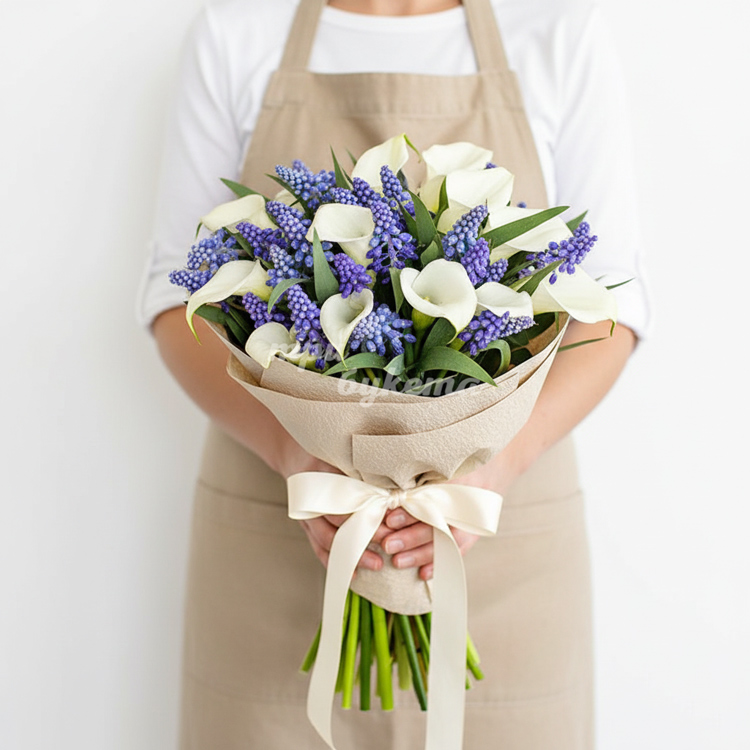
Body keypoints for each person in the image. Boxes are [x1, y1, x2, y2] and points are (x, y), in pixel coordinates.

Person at [138, 0, 649, 747]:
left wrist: (489, 471)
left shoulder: (556, 32)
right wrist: (297, 457)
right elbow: (176, 296)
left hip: (501, 546)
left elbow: (611, 303)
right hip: (278, 544)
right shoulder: (238, 31)